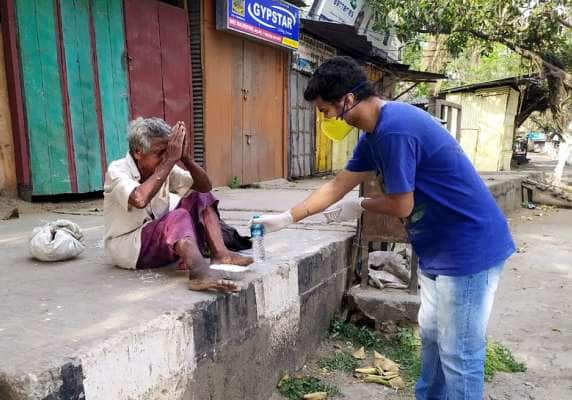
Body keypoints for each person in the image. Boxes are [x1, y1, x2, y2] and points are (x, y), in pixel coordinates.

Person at [255, 56, 515, 399]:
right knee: (434, 339)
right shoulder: (372, 136)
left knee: (459, 352)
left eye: (325, 111)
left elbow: (401, 205)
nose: (325, 119)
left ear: (347, 100)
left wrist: (359, 205)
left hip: (468, 246)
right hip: (438, 246)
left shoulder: (394, 129)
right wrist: (288, 218)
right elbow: (336, 187)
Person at [103, 117, 252, 293]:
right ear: (137, 152)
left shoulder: (165, 165)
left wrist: (185, 157)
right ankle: (199, 273)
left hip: (160, 241)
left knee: (199, 195)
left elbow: (205, 186)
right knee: (178, 216)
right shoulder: (117, 170)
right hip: (130, 249)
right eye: (159, 153)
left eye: (168, 153)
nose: (166, 158)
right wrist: (169, 161)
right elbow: (139, 199)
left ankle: (221, 255)